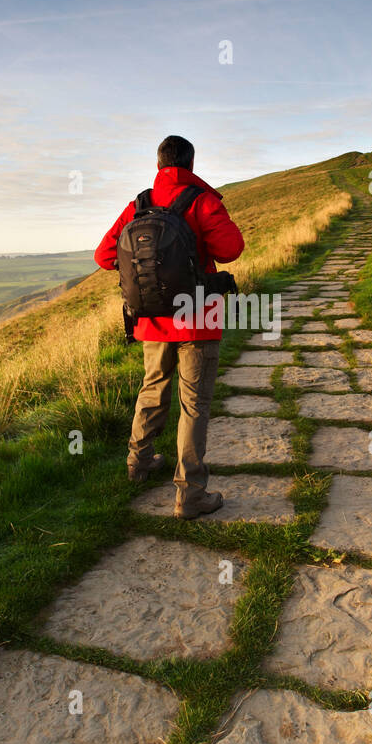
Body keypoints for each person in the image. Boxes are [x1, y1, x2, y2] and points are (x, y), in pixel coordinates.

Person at [94, 135, 244, 518]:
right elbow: (231, 249)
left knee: (153, 388)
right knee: (194, 404)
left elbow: (104, 255)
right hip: (198, 319)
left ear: (159, 163)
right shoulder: (201, 200)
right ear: (191, 164)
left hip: (151, 318)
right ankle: (190, 493)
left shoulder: (139, 204)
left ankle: (139, 462)